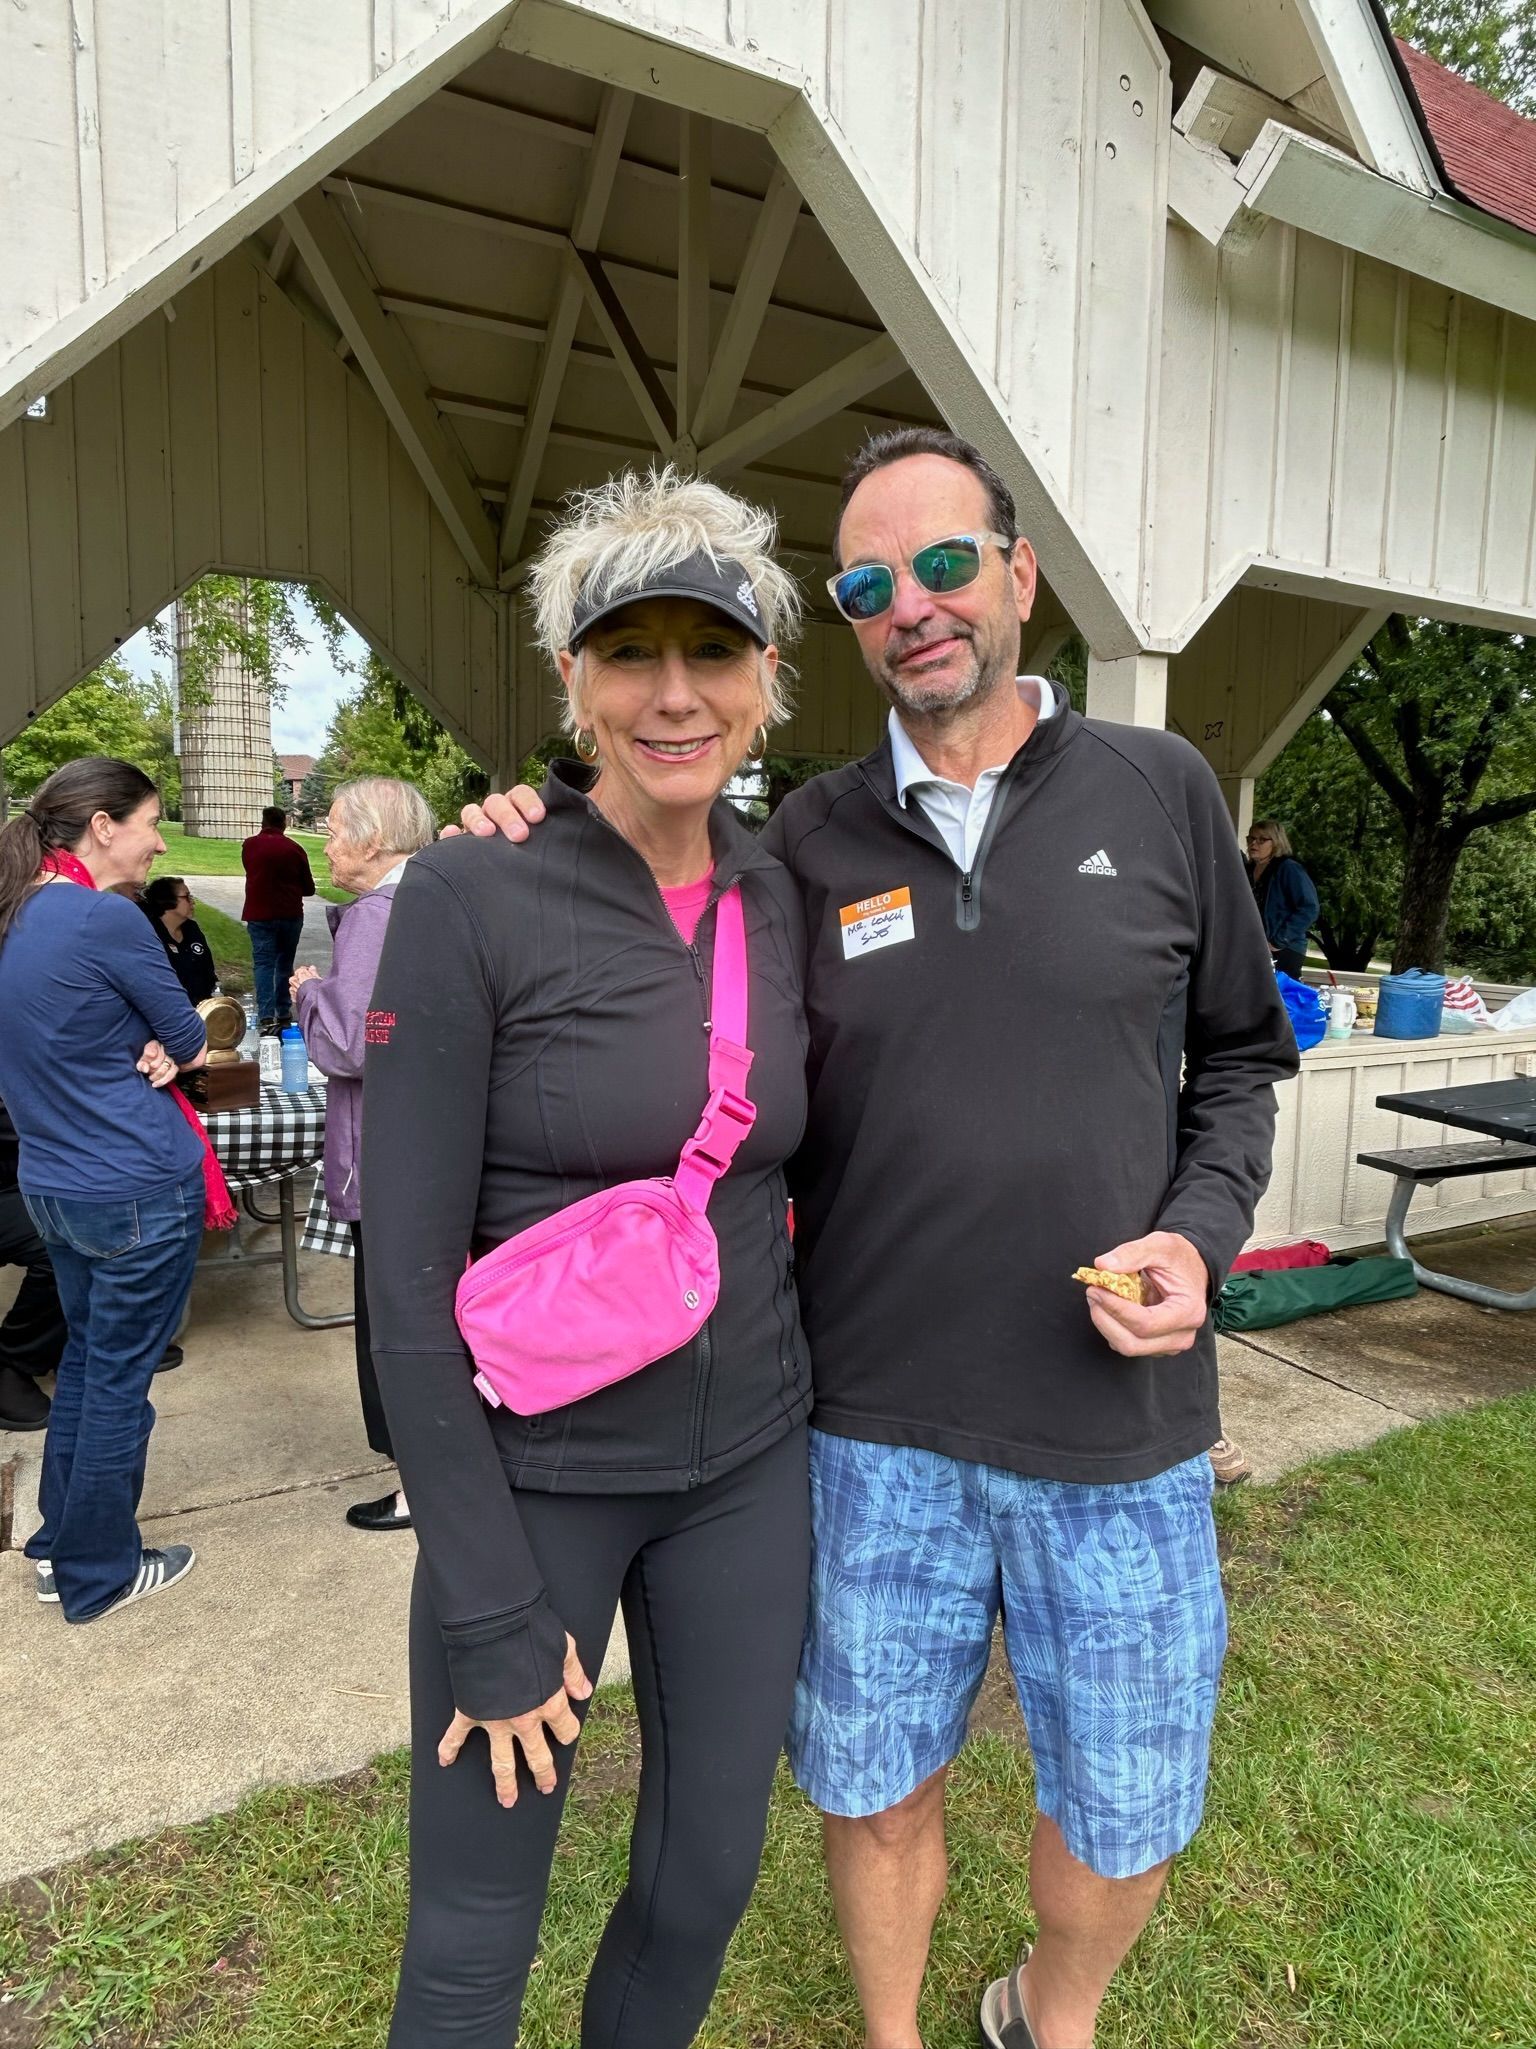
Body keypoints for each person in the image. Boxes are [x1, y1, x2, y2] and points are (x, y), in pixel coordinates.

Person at [468, 431, 1298, 2049]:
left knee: (1124, 1806)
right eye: (866, 583)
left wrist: (1198, 1237)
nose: (910, 604)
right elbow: (645, 953)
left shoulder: (1163, 790)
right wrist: (529, 840)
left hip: (1116, 1433)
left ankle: (1048, 2016)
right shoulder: (804, 846)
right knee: (869, 1776)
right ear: (842, 622)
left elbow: (1243, 1057)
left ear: (1017, 575)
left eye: (941, 564)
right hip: (865, 1432)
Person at [361, 468, 816, 2047]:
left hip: (750, 1471)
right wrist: (482, 1597)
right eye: (632, 653)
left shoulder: (791, 885)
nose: (673, 692)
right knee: (476, 1936)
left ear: (768, 681)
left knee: (702, 1887)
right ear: (573, 677)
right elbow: (403, 1278)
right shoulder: (473, 888)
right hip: (535, 1486)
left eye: (715, 650)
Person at [0, 758, 211, 1622]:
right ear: (101, 826)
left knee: (89, 1365)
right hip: (132, 1185)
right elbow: (192, 1032)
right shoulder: (104, 920)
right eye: (153, 821)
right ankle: (98, 1572)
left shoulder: (15, 914)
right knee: (117, 1379)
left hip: (53, 1179)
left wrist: (158, 1046)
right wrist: (169, 1047)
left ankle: (61, 1546)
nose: (161, 841)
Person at [289, 776, 434, 1535]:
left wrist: (310, 992)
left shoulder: (378, 913)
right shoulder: (433, 897)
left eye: (337, 829)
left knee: (394, 1332)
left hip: (387, 1157)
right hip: (427, 1150)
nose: (326, 842)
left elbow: (352, 1044)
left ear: (375, 841)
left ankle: (417, 1487)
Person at [0, 1093, 67, 1431]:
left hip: (27, 1171)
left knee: (100, 1210)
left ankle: (76, 1339)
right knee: (59, 1243)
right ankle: (15, 1359)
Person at [240, 805, 314, 1030]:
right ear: (283, 823)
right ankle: (283, 1012)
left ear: (263, 823)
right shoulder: (294, 849)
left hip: (260, 914)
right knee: (284, 963)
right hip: (290, 914)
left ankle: (265, 1015)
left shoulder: (250, 846)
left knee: (263, 964)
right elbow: (309, 887)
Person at [1245, 819, 1318, 978]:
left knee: (1280, 998)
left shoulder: (1288, 868)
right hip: (1253, 947)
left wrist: (1278, 941)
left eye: (1262, 840)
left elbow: (1309, 907)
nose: (1254, 843)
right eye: (1251, 838)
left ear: (1276, 842)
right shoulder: (1248, 869)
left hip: (1284, 949)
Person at [142, 876, 218, 1003]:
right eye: (187, 897)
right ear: (167, 901)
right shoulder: (151, 935)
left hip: (201, 1008)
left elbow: (208, 971)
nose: (192, 902)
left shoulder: (192, 929)